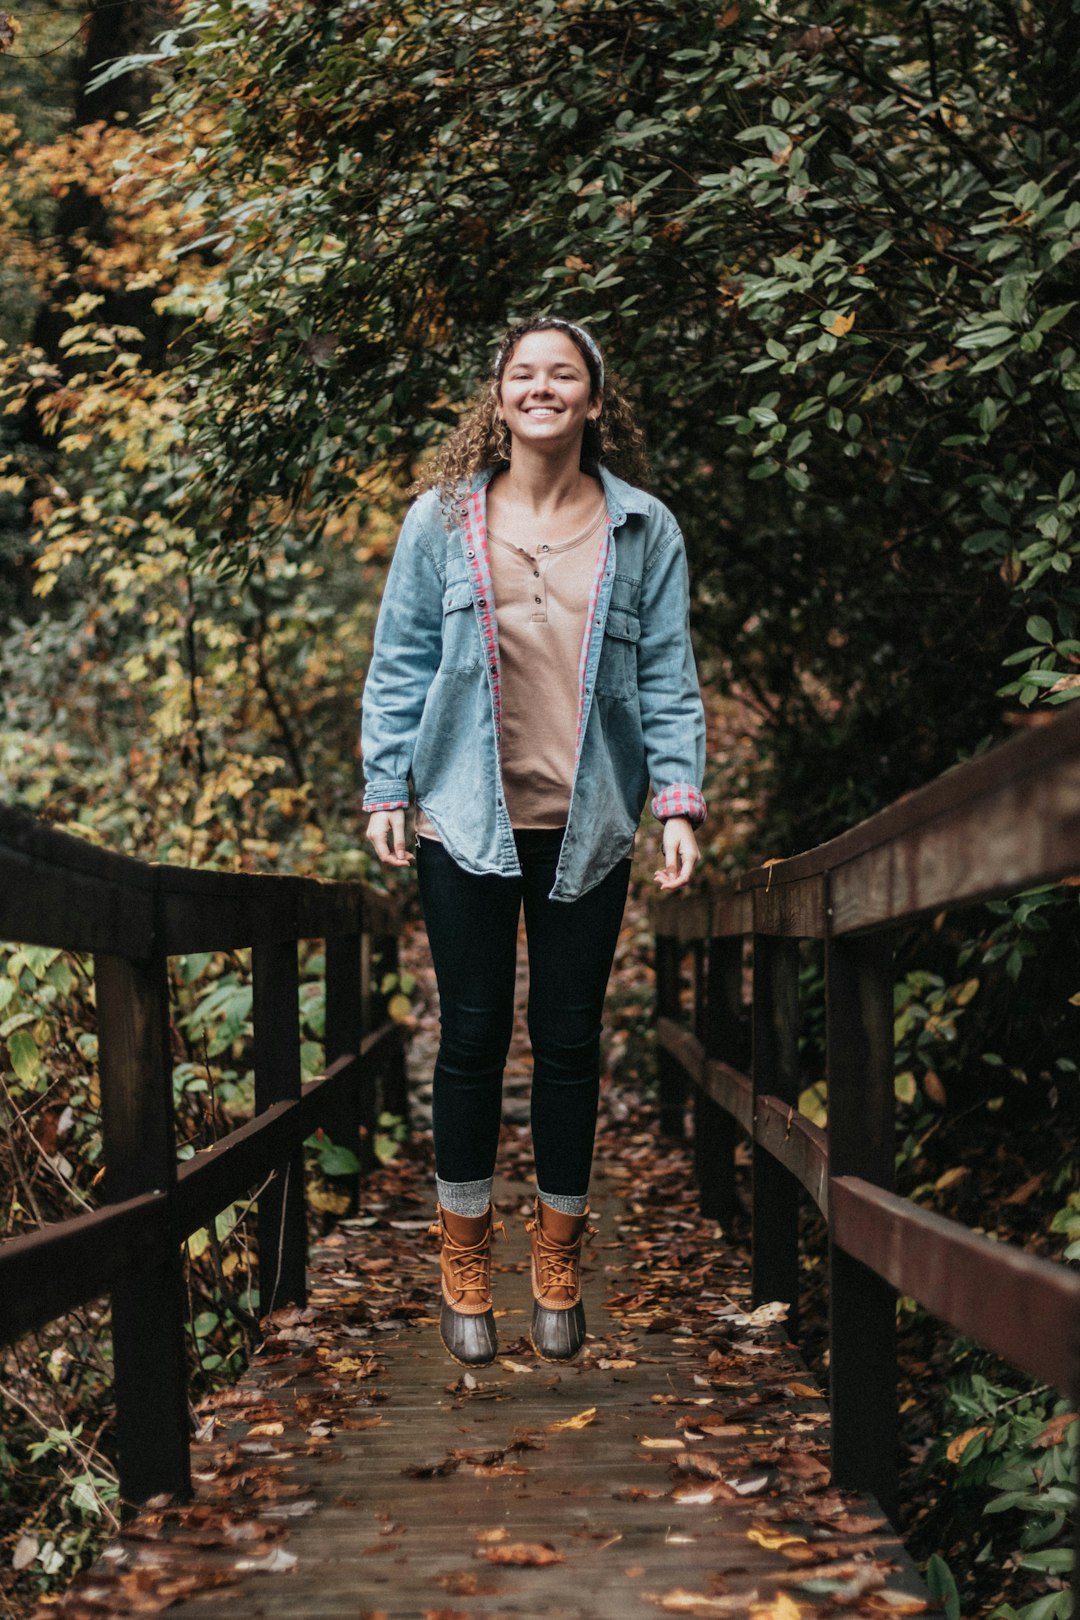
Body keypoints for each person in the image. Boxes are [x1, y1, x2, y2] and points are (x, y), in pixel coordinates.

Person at [361, 316, 706, 1367]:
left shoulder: (646, 529)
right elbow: (402, 656)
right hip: (466, 819)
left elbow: (667, 679)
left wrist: (678, 804)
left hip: (589, 822)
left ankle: (557, 1258)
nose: (543, 387)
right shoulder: (441, 521)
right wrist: (386, 782)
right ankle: (466, 1259)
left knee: (567, 1045)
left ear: (595, 402)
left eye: (564, 375)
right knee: (468, 1038)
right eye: (524, 373)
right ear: (499, 398)